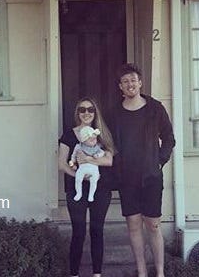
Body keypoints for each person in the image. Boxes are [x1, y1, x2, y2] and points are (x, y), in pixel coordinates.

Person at [109, 63, 175, 277]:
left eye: (133, 80)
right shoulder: (115, 113)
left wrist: (160, 161)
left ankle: (160, 272)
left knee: (153, 225)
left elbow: (169, 138)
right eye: (125, 81)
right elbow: (108, 143)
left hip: (151, 177)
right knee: (134, 225)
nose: (130, 84)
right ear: (120, 86)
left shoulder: (155, 108)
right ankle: (141, 272)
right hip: (127, 178)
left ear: (140, 83)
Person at [58, 97, 116, 277]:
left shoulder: (103, 134)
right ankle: (74, 274)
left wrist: (90, 160)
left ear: (95, 112)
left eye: (90, 109)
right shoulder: (69, 135)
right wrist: (79, 177)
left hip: (101, 189)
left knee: (97, 230)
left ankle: (97, 274)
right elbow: (62, 164)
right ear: (78, 113)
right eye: (82, 110)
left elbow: (109, 160)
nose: (86, 113)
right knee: (79, 231)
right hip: (76, 190)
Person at [71, 126, 105, 202]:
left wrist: (98, 155)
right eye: (91, 139)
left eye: (95, 139)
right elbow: (73, 156)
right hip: (82, 167)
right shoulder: (79, 147)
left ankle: (91, 195)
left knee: (94, 180)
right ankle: (79, 193)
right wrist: (72, 164)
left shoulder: (96, 147)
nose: (94, 141)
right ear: (84, 140)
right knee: (78, 178)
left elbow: (102, 152)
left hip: (94, 167)